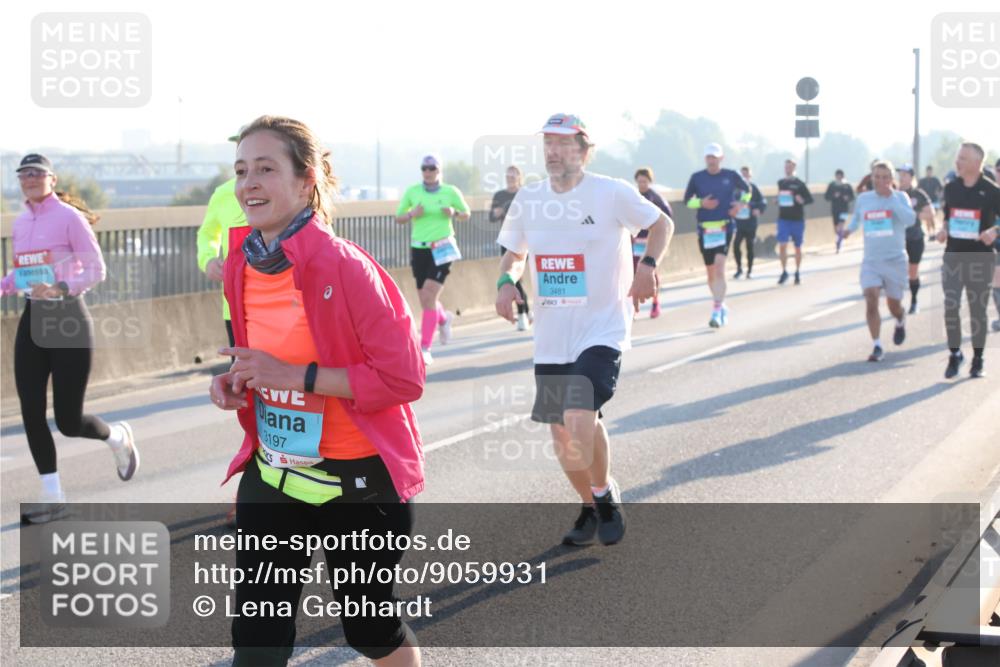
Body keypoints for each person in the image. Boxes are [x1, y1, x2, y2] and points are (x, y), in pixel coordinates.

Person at [211, 116, 424, 666]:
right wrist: (239, 382)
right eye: (240, 171)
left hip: (356, 482)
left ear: (307, 181)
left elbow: (403, 378)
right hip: (275, 472)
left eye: (265, 168)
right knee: (256, 646)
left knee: (370, 632)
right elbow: (266, 360)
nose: (248, 183)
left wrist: (296, 377)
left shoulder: (345, 266)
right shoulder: (241, 262)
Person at [495, 113, 673, 546]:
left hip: (602, 326)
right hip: (553, 335)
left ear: (584, 150)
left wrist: (647, 267)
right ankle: (591, 505)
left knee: (578, 415)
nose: (554, 152)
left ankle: (603, 494)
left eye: (564, 143)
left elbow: (662, 224)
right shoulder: (529, 200)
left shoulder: (610, 193)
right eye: (548, 144)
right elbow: (514, 253)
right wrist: (505, 281)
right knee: (564, 431)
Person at [1, 154, 139, 525]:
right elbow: (20, 275)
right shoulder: (21, 221)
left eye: (37, 173)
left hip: (68, 320)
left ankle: (116, 437)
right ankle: (53, 495)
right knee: (30, 410)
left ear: (51, 178)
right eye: (23, 174)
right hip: (33, 320)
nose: (30, 179)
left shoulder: (68, 217)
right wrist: (4, 286)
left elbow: (96, 268)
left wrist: (62, 287)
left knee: (67, 420)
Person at [395, 156, 470, 365]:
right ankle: (444, 319)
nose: (428, 172)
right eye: (424, 168)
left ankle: (425, 346)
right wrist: (412, 213)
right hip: (420, 249)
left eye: (432, 168)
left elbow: (467, 213)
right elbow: (398, 217)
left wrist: (454, 212)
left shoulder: (450, 191)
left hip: (443, 248)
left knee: (429, 294)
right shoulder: (412, 192)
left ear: (439, 170)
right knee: (424, 299)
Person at [937, 142, 1000, 379]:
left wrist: (995, 231)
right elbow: (947, 216)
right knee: (951, 306)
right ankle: (955, 354)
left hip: (980, 258)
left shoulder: (992, 190)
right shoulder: (951, 187)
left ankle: (978, 359)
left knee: (977, 310)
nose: (957, 162)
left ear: (977, 163)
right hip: (953, 255)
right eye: (957, 157)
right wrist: (943, 229)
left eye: (963, 158)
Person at [841, 161, 914, 362]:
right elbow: (857, 219)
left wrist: (893, 200)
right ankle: (877, 345)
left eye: (885, 177)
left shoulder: (900, 197)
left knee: (893, 305)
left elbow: (910, 220)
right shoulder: (864, 199)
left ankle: (900, 318)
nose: (881, 181)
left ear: (891, 180)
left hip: (895, 260)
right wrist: (848, 230)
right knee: (871, 298)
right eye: (877, 177)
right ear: (872, 178)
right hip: (872, 261)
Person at [683, 143, 750, 326]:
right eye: (708, 157)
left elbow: (747, 191)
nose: (711, 160)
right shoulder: (697, 178)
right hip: (705, 229)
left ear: (721, 158)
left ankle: (716, 309)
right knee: (711, 273)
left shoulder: (731, 175)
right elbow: (687, 201)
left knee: (720, 267)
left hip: (725, 227)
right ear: (705, 159)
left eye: (714, 157)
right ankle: (720, 304)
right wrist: (701, 203)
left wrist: (740, 206)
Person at [197, 129, 249, 348]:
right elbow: (208, 233)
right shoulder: (223, 193)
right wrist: (208, 259)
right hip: (235, 304)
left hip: (281, 302)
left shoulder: (285, 190)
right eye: (240, 144)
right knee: (243, 374)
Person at [490, 165, 531, 330]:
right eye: (508, 175)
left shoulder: (524, 194)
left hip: (524, 239)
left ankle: (524, 313)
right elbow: (491, 217)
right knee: (513, 278)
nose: (510, 178)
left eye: (513, 175)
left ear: (519, 177)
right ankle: (523, 314)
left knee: (518, 279)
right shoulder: (499, 195)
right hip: (507, 240)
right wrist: (498, 212)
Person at [633, 167, 672, 317]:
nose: (642, 184)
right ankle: (633, 308)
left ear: (650, 182)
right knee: (633, 272)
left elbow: (668, 216)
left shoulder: (655, 197)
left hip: (650, 241)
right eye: (639, 181)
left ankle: (655, 302)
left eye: (645, 181)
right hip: (635, 240)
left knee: (651, 271)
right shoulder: (633, 196)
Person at [897, 164, 936, 314]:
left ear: (911, 177)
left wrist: (913, 215)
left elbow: (930, 213)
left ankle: (914, 301)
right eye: (900, 174)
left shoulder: (918, 194)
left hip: (914, 237)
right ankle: (897, 303)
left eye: (905, 174)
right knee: (898, 271)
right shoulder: (894, 194)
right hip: (897, 239)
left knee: (912, 272)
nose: (901, 177)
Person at [775, 158, 814, 285]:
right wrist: (777, 200)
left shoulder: (800, 183)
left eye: (790, 167)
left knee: (797, 247)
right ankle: (784, 271)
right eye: (786, 167)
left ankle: (797, 271)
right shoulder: (781, 182)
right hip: (783, 218)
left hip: (797, 219)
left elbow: (810, 199)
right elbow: (781, 195)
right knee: (782, 245)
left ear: (794, 168)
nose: (787, 169)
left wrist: (801, 200)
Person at [731, 166, 766, 279]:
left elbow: (763, 202)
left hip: (750, 223)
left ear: (750, 176)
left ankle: (749, 270)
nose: (744, 177)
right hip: (738, 223)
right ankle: (739, 268)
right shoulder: (735, 189)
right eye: (742, 175)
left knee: (749, 246)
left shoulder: (753, 188)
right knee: (736, 245)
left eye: (746, 175)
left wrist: (756, 208)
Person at [824, 169, 854, 253]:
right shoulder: (832, 185)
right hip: (835, 209)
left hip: (844, 209)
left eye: (841, 175)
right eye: (838, 175)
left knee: (841, 225)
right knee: (836, 229)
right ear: (836, 176)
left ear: (843, 176)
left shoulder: (847, 185)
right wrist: (834, 196)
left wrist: (847, 198)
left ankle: (838, 243)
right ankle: (840, 237)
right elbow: (826, 197)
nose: (839, 177)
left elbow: (852, 196)